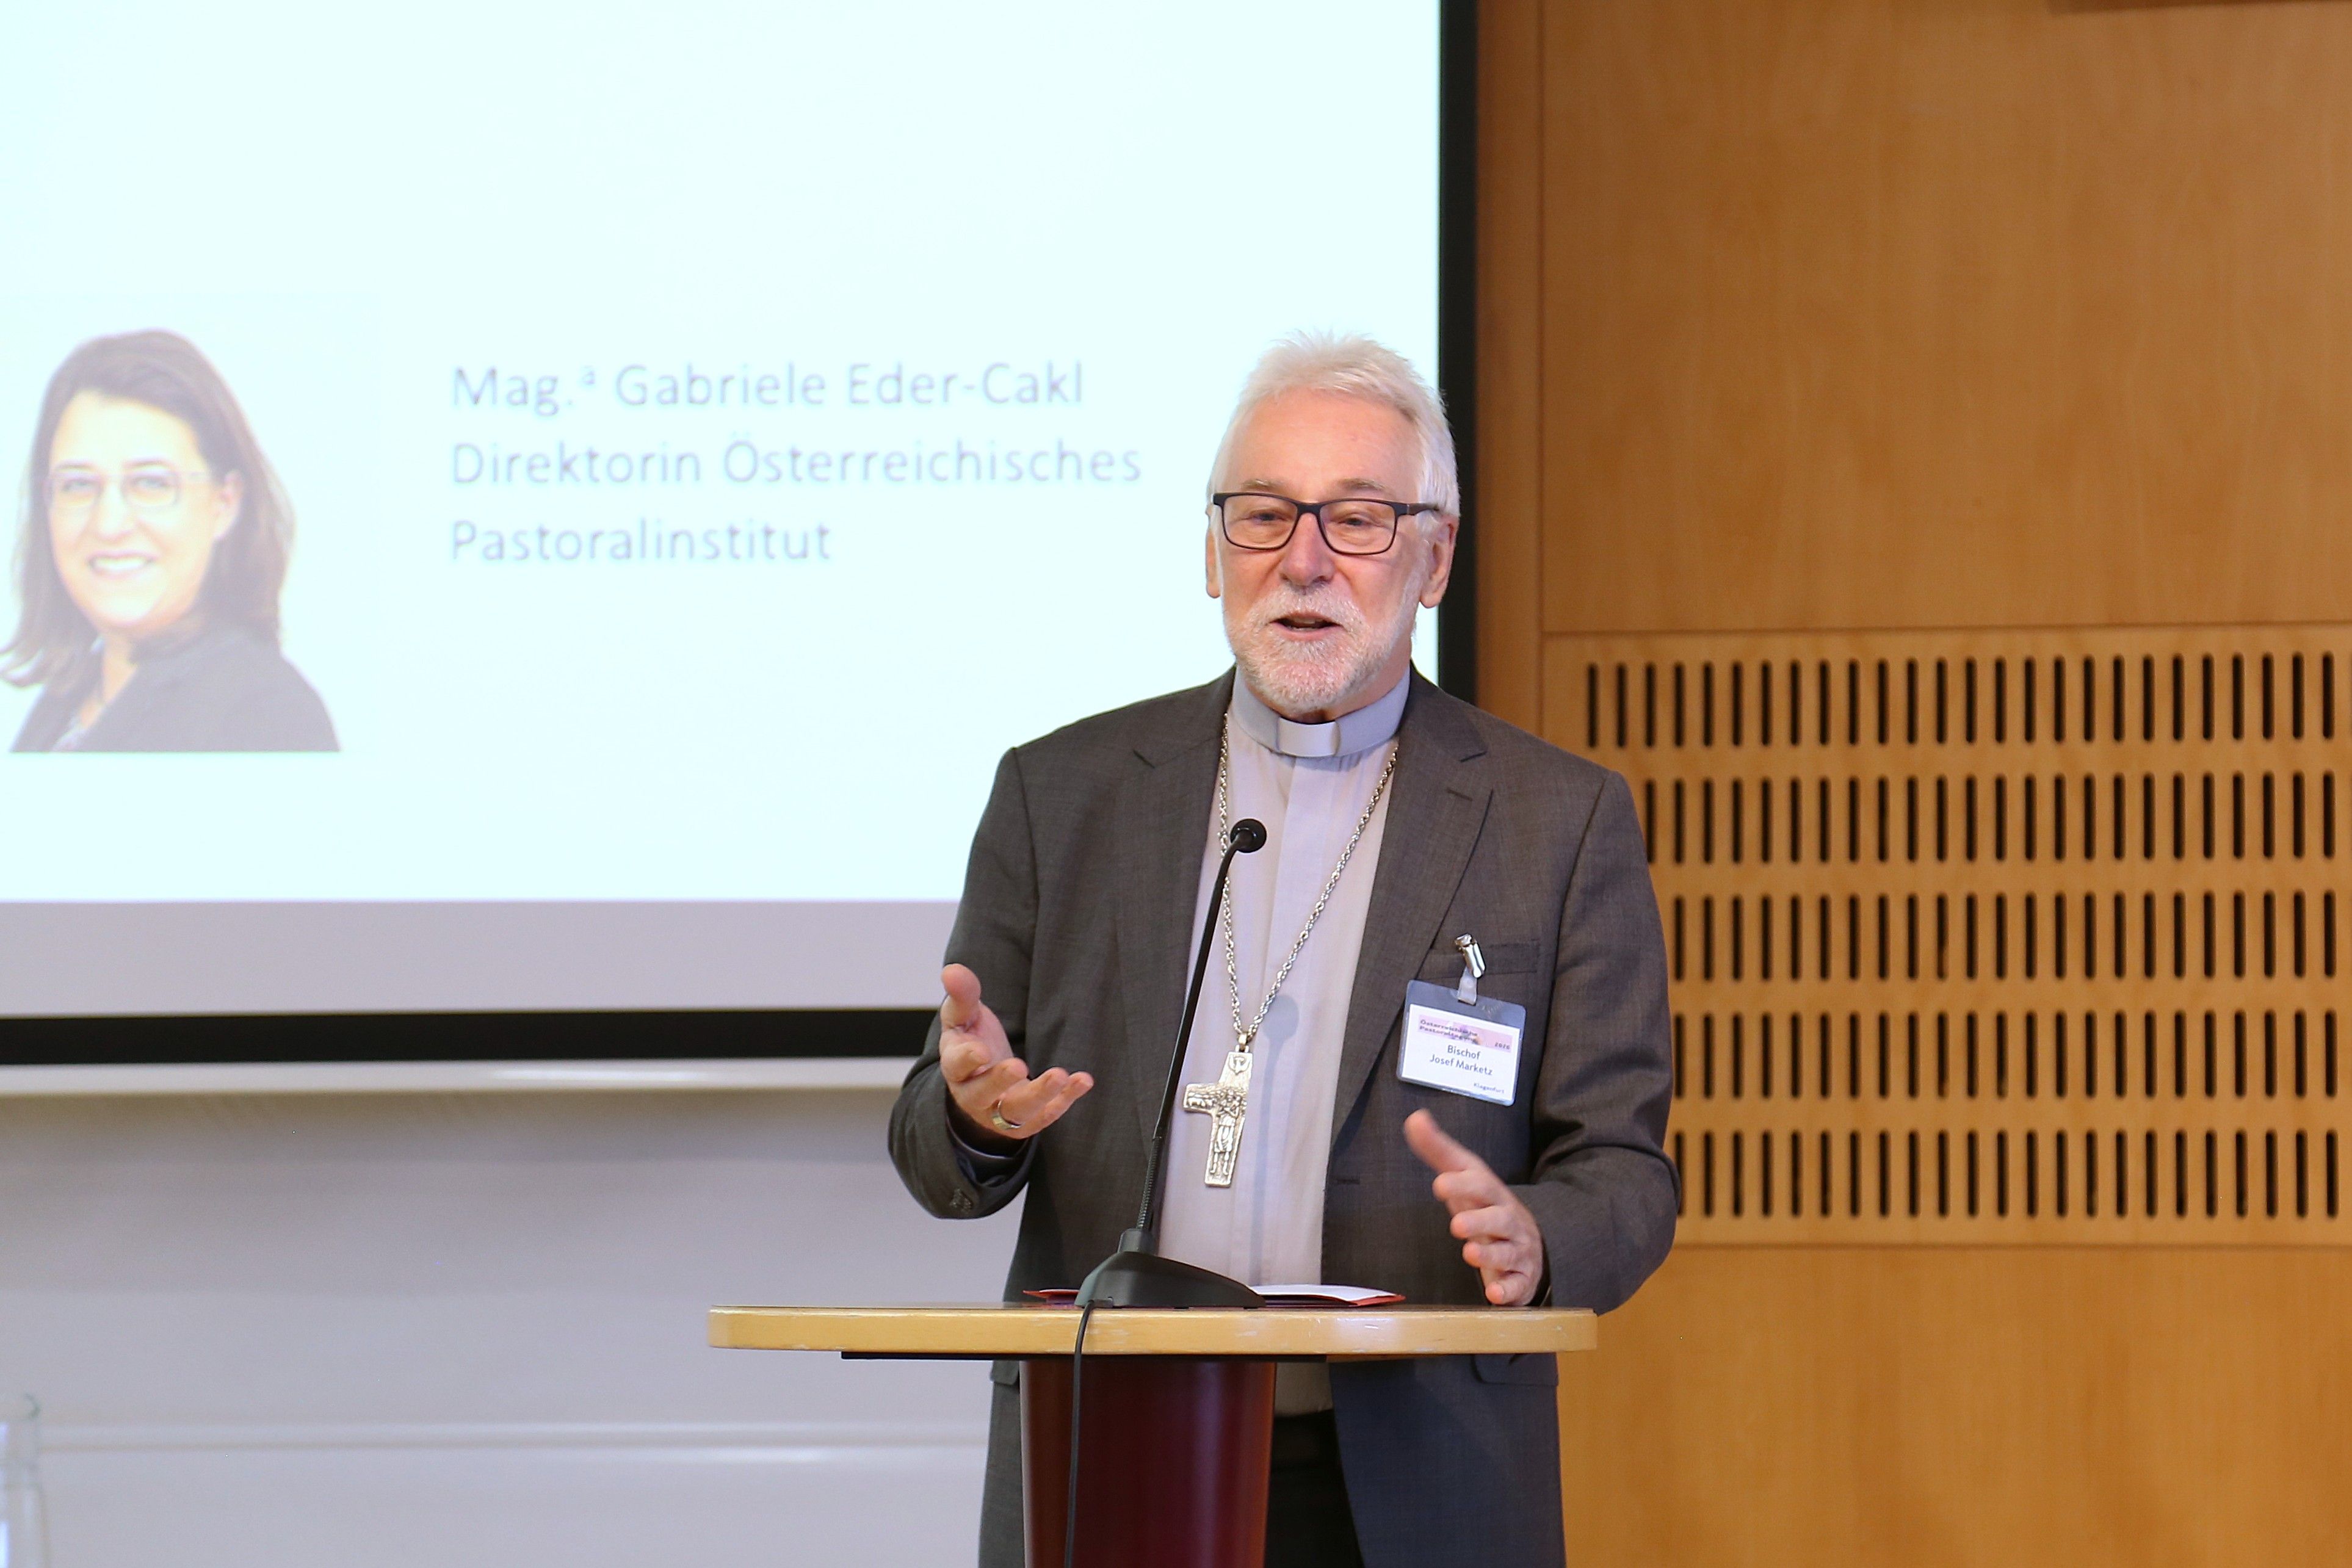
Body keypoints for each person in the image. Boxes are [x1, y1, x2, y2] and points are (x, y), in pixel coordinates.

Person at [888, 332, 1675, 1567]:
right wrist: (976, 1120)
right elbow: (937, 1152)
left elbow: (1624, 1168)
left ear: (1434, 557)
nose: (1301, 559)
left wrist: (1538, 1236)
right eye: (1262, 515)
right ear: (1212, 551)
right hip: (1114, 1454)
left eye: (1355, 519)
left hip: (1422, 1476)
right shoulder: (1064, 794)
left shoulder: (1553, 821)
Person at [4, 330, 336, 752]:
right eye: (78, 485)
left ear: (224, 503)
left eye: (151, 483)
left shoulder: (267, 715)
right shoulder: (69, 697)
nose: (109, 524)